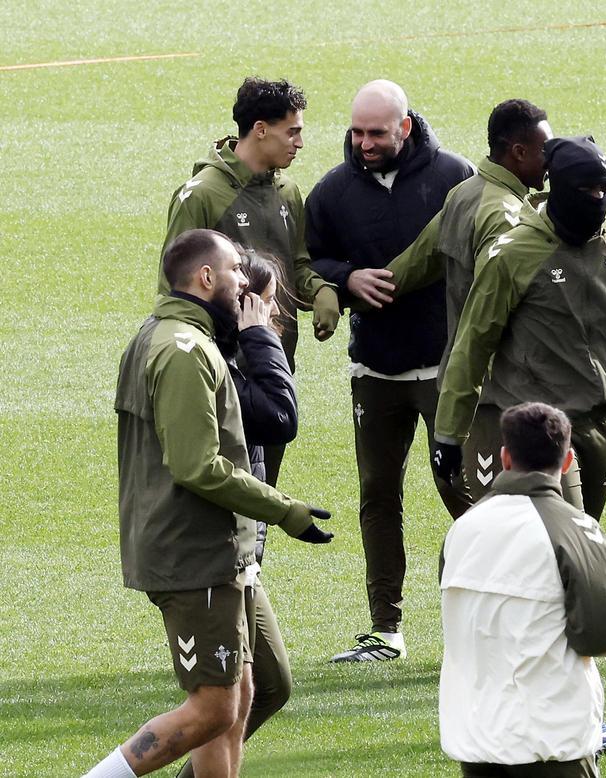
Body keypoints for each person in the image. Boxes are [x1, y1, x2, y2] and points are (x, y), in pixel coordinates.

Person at [85, 229, 333, 778]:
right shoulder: (182, 350)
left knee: (249, 693)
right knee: (213, 707)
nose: (245, 283)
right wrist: (284, 509)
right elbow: (197, 465)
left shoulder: (176, 336)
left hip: (221, 550)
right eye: (236, 274)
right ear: (205, 278)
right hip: (195, 552)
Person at [432, 135, 606, 521]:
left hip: (599, 423)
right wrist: (449, 435)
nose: (597, 197)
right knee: (565, 539)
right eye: (585, 189)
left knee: (585, 537)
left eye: (604, 188)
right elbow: (472, 345)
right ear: (557, 188)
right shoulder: (513, 253)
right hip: (539, 428)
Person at [304, 79, 474, 663]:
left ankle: (483, 619)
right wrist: (345, 279)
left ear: (405, 126)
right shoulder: (332, 190)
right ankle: (385, 630)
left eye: (377, 132)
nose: (364, 142)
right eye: (356, 131)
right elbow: (308, 258)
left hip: (444, 369)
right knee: (377, 495)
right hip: (373, 368)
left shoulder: (454, 177)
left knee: (464, 492)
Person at [159, 76, 340, 488]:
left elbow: (296, 263)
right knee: (225, 494)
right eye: (292, 131)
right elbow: (173, 288)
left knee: (262, 495)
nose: (299, 143)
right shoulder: (201, 196)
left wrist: (322, 290)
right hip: (222, 375)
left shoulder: (289, 192)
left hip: (274, 364)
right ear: (261, 129)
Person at [372, 98, 554, 499]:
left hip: (468, 386)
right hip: (502, 393)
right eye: (546, 150)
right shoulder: (507, 217)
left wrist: (364, 289)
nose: (551, 161)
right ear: (518, 152)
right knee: (507, 520)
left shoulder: (463, 194)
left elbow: (417, 261)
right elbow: (490, 320)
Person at [439, 402, 606, 778]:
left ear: (505, 457)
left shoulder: (461, 531)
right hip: (550, 739)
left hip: (475, 737)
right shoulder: (578, 530)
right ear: (569, 460)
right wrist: (601, 601)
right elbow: (599, 637)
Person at [173, 250, 299, 778]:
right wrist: (260, 340)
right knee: (225, 702)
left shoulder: (233, 358)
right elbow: (280, 415)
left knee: (264, 687)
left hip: (242, 552)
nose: (273, 318)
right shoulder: (220, 364)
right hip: (214, 556)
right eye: (265, 306)